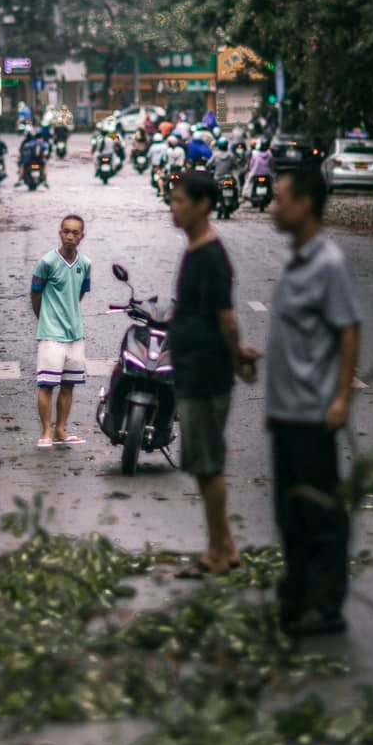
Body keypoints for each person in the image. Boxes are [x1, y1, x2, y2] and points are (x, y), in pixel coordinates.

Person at [265, 160, 361, 633]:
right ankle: (297, 594)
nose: (272, 206)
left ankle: (327, 605)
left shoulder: (329, 263)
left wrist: (341, 398)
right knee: (289, 511)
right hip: (284, 410)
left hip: (312, 411)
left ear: (304, 205)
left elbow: (348, 332)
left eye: (280, 198)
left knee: (319, 510)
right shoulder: (297, 258)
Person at [168, 170, 258, 573]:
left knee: (208, 465)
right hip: (192, 369)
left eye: (180, 200)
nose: (174, 206)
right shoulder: (194, 250)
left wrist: (237, 357)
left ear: (203, 205)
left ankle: (217, 553)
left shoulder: (211, 257)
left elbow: (226, 318)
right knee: (203, 465)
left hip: (206, 373)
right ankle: (226, 548)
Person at [31, 214, 92, 449]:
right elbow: (35, 293)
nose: (69, 236)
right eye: (66, 231)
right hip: (51, 333)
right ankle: (46, 432)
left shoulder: (85, 264)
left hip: (75, 333)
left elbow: (80, 293)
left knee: (68, 385)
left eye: (75, 232)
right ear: (60, 233)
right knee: (47, 384)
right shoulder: (46, 262)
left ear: (81, 237)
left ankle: (61, 429)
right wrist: (44, 319)